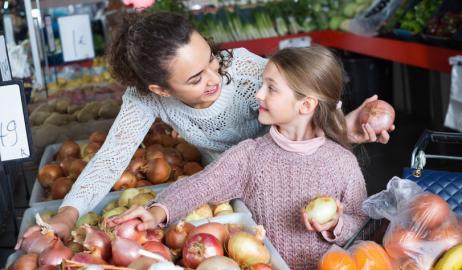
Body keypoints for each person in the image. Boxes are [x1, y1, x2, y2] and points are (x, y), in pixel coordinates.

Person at [16, 11, 390, 247]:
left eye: (211, 59)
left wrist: (349, 122)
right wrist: (68, 214)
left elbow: (305, 99)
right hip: (231, 190)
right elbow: (111, 160)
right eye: (196, 78)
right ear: (160, 89)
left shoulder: (242, 69)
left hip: (297, 188)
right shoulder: (146, 99)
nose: (215, 77)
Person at [109, 46, 368, 269]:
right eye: (262, 84)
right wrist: (156, 212)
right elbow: (202, 185)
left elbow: (361, 222)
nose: (259, 94)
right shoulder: (250, 156)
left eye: (271, 88)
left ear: (306, 105)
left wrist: (336, 224)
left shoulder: (342, 163)